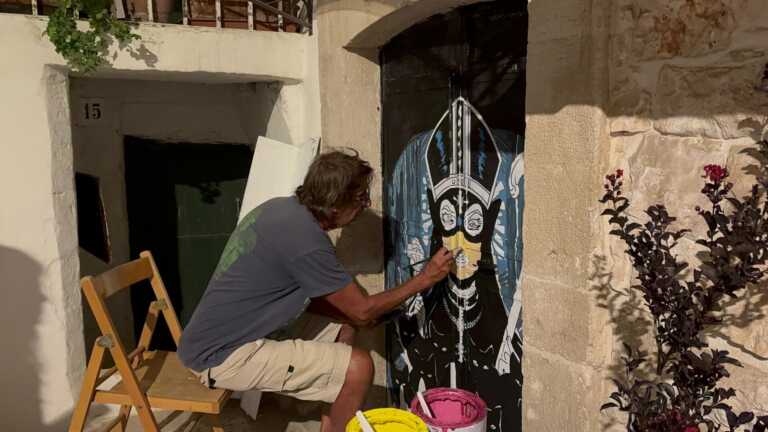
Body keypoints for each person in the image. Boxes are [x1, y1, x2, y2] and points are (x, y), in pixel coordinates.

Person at [178, 150, 454, 432]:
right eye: (360, 198)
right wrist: (425, 278)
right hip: (221, 356)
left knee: (345, 327)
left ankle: (331, 423)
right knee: (359, 368)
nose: (367, 204)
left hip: (220, 337)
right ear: (335, 205)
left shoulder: (281, 209)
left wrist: (356, 314)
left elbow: (327, 303)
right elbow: (362, 310)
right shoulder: (306, 241)